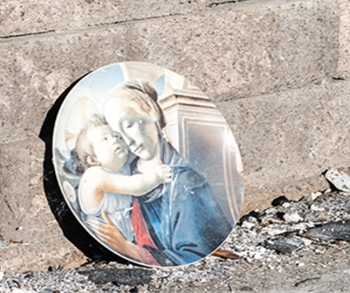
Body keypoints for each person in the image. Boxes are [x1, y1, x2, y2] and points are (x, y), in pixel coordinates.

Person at [95, 80, 232, 266]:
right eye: (118, 134)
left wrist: (128, 249)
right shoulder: (127, 174)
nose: (128, 142)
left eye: (128, 125)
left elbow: (195, 252)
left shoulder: (186, 182)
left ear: (151, 113)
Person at [71, 114, 173, 242]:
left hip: (127, 239)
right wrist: (157, 177)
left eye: (117, 136)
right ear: (93, 159)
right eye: (105, 140)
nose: (115, 140)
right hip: (100, 240)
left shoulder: (121, 168)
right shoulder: (95, 176)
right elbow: (135, 187)